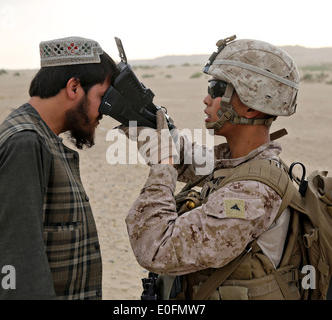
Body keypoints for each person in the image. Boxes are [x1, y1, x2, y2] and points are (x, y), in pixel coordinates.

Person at [124, 36, 300, 300]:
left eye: (217, 89)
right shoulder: (240, 162)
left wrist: (163, 166)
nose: (207, 99)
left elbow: (155, 248)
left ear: (251, 106)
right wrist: (141, 120)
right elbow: (191, 159)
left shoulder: (252, 193)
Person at [0, 36, 118, 300]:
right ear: (74, 87)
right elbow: (13, 268)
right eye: (101, 97)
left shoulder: (39, 138)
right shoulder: (24, 143)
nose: (104, 111)